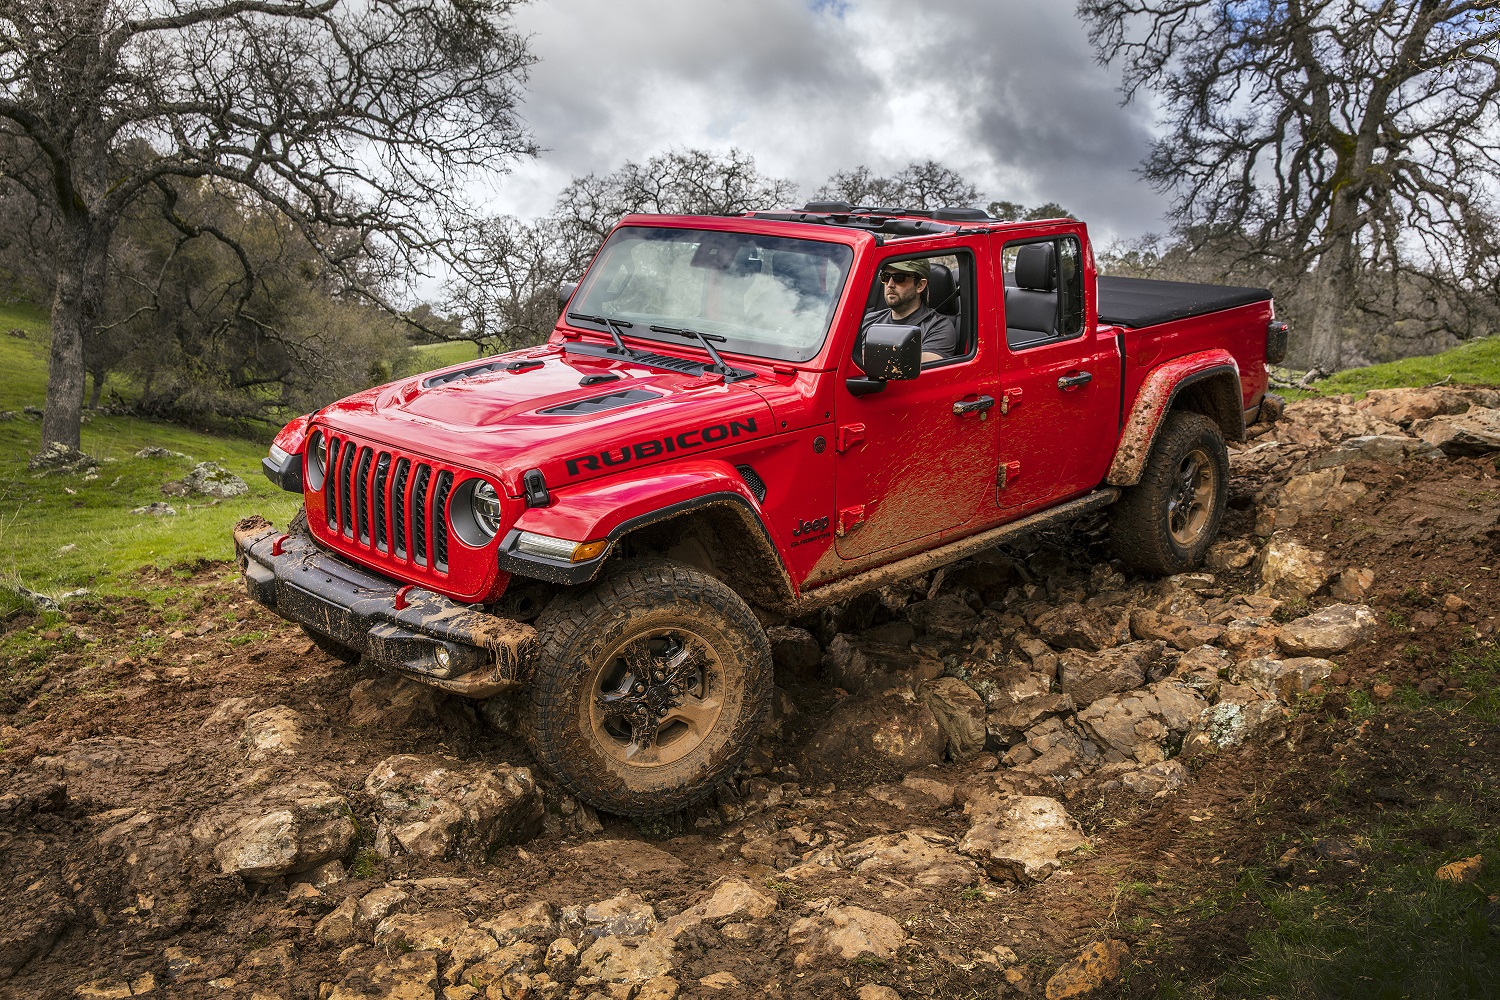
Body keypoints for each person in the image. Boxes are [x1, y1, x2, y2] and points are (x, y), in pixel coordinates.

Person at [860, 258, 959, 364]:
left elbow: (922, 372)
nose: (890, 284)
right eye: (886, 277)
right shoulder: (869, 320)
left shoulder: (938, 327)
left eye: (899, 278)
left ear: (920, 285)